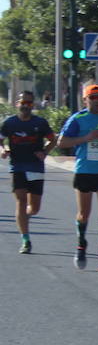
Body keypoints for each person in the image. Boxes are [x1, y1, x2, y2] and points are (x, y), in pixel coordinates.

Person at [57, 84, 98, 271]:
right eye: (93, 97)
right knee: (84, 214)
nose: (97, 101)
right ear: (85, 100)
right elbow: (61, 142)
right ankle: (81, 244)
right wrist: (85, 138)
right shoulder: (77, 119)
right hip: (85, 171)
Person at [0, 91, 58, 253]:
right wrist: (3, 150)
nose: (26, 106)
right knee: (21, 200)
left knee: (34, 208)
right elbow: (0, 139)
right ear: (17, 103)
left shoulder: (40, 123)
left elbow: (53, 139)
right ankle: (25, 239)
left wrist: (45, 152)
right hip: (17, 166)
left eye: (29, 103)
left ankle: (26, 217)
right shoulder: (9, 123)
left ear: (33, 105)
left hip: (35, 167)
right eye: (23, 102)